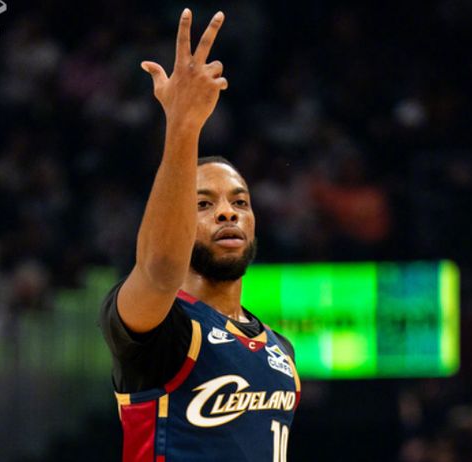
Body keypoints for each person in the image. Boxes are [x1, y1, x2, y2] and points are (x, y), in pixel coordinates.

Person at [98, 9, 300, 462]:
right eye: (203, 204)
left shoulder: (280, 350)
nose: (228, 212)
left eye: (240, 202)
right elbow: (160, 267)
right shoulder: (162, 328)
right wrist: (183, 125)